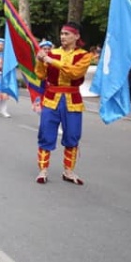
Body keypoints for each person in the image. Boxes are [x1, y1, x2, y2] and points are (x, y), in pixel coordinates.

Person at [34, 22, 93, 185]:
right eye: (61, 34)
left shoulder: (84, 56)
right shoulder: (52, 53)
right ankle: (43, 169)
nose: (63, 37)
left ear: (77, 36)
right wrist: (40, 60)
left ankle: (68, 171)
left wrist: (50, 60)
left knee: (72, 135)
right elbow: (40, 74)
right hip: (51, 98)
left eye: (67, 34)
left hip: (72, 100)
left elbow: (74, 73)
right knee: (46, 133)